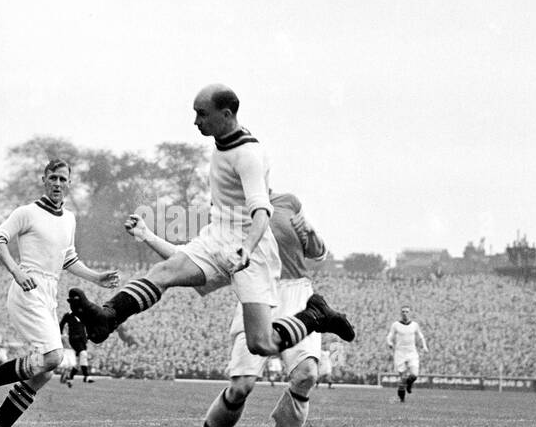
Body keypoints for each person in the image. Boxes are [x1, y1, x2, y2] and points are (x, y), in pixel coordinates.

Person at [67, 84, 355, 361]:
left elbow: (262, 211)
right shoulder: (226, 141)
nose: (195, 121)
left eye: (202, 113)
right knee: (164, 271)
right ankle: (108, 316)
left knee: (261, 343)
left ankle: (315, 314)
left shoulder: (249, 156)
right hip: (217, 237)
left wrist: (247, 249)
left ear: (226, 115)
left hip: (251, 252)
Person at [127, 188, 329, 427]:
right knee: (241, 387)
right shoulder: (229, 212)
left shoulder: (287, 202)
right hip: (256, 295)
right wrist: (147, 236)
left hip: (297, 294)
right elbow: (190, 258)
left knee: (306, 374)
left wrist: (311, 232)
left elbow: (318, 252)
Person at [0, 160, 119, 427]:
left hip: (49, 293)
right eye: (53, 178)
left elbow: (68, 258)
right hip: (27, 287)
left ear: (69, 183)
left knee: (45, 372)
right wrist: (17, 271)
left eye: (63, 179)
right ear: (44, 180)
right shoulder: (27, 213)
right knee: (53, 357)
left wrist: (97, 278)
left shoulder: (69, 219)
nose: (58, 183)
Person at [387, 304, 429, 402]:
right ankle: (402, 399)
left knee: (414, 374)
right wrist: (389, 343)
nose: (405, 313)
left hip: (412, 352)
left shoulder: (414, 325)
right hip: (400, 352)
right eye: (403, 311)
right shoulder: (396, 325)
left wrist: (425, 346)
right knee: (403, 378)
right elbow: (389, 336)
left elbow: (420, 336)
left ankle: (409, 384)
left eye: (407, 311)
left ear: (410, 313)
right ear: (400, 313)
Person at [58, 310, 92, 386]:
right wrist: (60, 335)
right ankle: (86, 376)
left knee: (78, 361)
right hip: (74, 339)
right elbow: (61, 324)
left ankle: (69, 377)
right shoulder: (68, 315)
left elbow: (87, 326)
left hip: (83, 340)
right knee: (83, 354)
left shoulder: (83, 314)